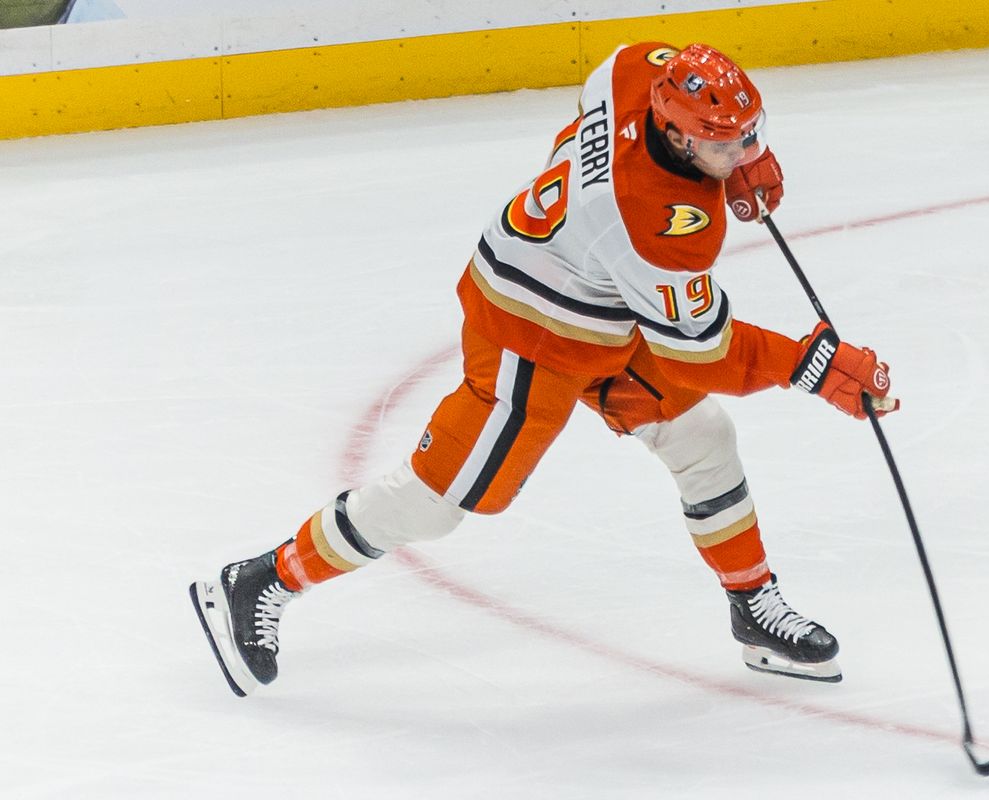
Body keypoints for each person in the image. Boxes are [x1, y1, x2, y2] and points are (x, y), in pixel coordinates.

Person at [189, 41, 897, 697]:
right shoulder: (654, 222)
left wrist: (734, 162)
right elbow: (702, 351)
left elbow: (604, 86)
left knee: (702, 437)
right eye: (725, 143)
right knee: (437, 505)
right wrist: (813, 364)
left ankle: (752, 608)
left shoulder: (636, 72)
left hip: (598, 300)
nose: (744, 148)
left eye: (751, 132)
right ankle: (262, 580)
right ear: (679, 135)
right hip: (529, 332)